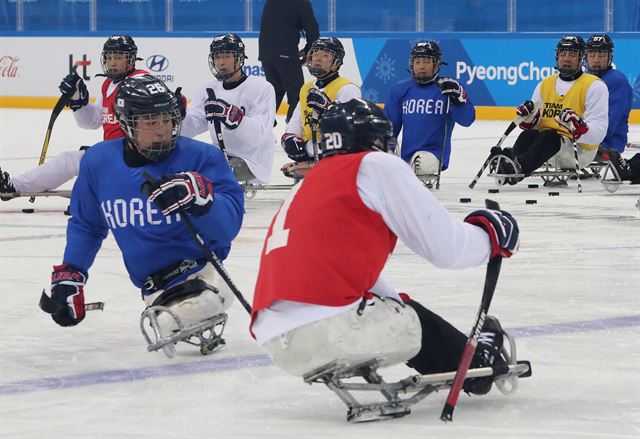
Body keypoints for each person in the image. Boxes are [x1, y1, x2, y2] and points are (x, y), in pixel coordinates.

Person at [250, 98, 521, 397]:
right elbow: (447, 248)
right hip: (330, 330)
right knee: (411, 320)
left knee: (397, 307)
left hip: (277, 343)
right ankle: (475, 367)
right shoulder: (374, 165)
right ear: (374, 140)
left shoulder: (308, 183)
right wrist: (491, 236)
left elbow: (343, 271)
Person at [40, 75, 244, 355]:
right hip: (154, 291)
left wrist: (203, 201)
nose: (162, 130)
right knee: (170, 320)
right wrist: (72, 273)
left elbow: (228, 227)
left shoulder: (202, 157)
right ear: (127, 124)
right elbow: (87, 225)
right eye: (150, 122)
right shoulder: (98, 162)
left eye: (167, 119)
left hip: (202, 273)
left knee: (187, 313)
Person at [0, 35, 149, 195]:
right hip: (113, 153)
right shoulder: (108, 84)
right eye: (109, 57)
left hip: (131, 158)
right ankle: (15, 185)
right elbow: (93, 121)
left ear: (131, 60)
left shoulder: (141, 82)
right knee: (69, 160)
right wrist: (79, 103)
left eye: (119, 57)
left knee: (69, 161)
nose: (112, 62)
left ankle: (15, 186)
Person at [492, 35, 609, 185]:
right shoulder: (545, 84)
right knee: (528, 135)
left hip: (580, 152)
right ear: (557, 56)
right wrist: (527, 118)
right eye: (563, 53)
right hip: (546, 151)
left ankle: (518, 168)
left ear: (582, 58)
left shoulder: (595, 86)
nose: (566, 58)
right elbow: (535, 125)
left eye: (572, 54)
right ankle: (510, 162)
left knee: (550, 136)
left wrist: (580, 127)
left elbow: (599, 130)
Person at [181, 33, 276, 185]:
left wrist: (233, 117)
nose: (221, 62)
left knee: (210, 173)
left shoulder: (262, 88)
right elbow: (192, 126)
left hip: (251, 158)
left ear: (240, 58)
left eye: (226, 56)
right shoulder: (207, 89)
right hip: (219, 153)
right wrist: (178, 116)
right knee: (184, 166)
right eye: (217, 57)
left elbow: (260, 134)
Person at [384, 41, 475, 184]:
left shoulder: (448, 87)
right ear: (411, 64)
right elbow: (389, 127)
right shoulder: (400, 89)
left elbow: (467, 120)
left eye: (427, 61)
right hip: (406, 157)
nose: (421, 66)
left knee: (421, 166)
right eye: (417, 61)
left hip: (434, 155)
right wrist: (386, 152)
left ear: (437, 64)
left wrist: (458, 99)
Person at [280, 37, 361, 179]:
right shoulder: (307, 88)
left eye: (325, 55)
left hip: (336, 156)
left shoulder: (347, 89)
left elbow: (350, 131)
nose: (318, 58)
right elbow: (297, 120)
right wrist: (290, 138)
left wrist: (329, 109)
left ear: (337, 63)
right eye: (316, 54)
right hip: (311, 150)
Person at [258, 0, 319, 122]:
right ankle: (292, 131)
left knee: (274, 92)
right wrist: (308, 51)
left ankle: (260, 126)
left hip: (266, 53)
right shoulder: (301, 2)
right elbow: (312, 30)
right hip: (285, 53)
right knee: (297, 95)